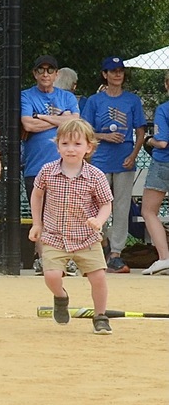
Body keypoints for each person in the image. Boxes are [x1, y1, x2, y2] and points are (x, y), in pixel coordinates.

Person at [29, 118, 114, 333]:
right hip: (54, 236)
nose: (70, 149)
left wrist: (99, 221)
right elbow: (37, 195)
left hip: (87, 237)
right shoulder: (47, 171)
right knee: (51, 275)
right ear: (57, 146)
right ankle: (61, 297)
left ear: (89, 148)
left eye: (77, 144)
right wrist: (36, 224)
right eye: (65, 144)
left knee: (98, 277)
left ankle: (100, 316)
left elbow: (106, 203)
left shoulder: (95, 176)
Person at [79, 56, 147, 274]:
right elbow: (84, 130)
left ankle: (116, 252)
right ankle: (102, 243)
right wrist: (103, 137)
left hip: (124, 159)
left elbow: (140, 131)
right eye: (113, 71)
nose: (117, 74)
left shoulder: (132, 100)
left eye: (120, 71)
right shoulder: (94, 101)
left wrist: (134, 155)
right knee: (98, 205)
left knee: (121, 206)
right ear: (104, 75)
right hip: (99, 160)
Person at [21, 53, 80, 273]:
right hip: (36, 165)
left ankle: (67, 259)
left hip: (66, 165)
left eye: (50, 70)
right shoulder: (26, 96)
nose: (45, 74)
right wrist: (59, 119)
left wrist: (42, 117)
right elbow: (28, 124)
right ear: (35, 73)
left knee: (67, 212)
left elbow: (74, 121)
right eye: (41, 70)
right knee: (40, 214)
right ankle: (44, 259)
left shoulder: (66, 97)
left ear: (56, 74)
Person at [141, 72, 169, 276]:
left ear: (167, 85)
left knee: (149, 210)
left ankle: (164, 258)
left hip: (163, 163)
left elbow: (162, 142)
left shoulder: (163, 109)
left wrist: (147, 140)